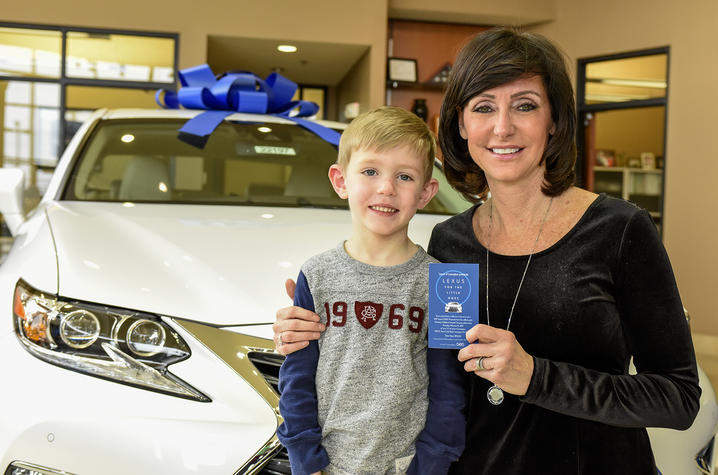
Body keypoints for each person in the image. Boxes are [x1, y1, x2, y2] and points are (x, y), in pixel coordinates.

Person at [274, 28, 701, 474]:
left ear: (554, 120)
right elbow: (415, 373)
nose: (503, 127)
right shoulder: (448, 243)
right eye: (483, 107)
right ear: (460, 124)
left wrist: (537, 377)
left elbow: (678, 398)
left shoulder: (619, 230)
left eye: (525, 105)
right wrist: (309, 332)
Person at [276, 106, 466, 475]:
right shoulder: (315, 274)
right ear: (340, 179)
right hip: (327, 467)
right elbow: (296, 379)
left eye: (405, 177)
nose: (386, 188)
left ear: (427, 192)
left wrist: (428, 467)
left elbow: (450, 393)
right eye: (370, 171)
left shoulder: (446, 285)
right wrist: (307, 461)